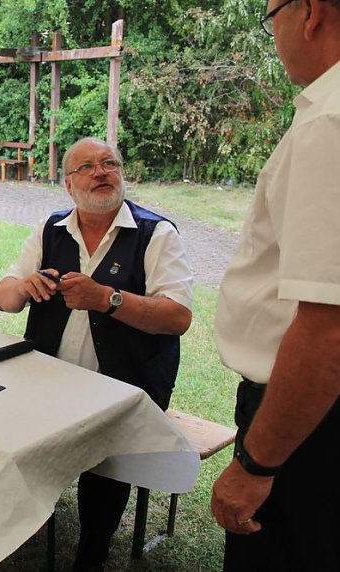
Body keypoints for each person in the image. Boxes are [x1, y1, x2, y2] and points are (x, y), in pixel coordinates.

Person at [0, 137, 194, 571]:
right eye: (86, 167)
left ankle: (92, 552)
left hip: (123, 385)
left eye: (109, 163)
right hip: (50, 376)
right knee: (6, 432)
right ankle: (14, 519)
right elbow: (4, 299)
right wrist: (24, 288)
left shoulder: (155, 234)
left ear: (121, 173)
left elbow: (178, 317)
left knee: (104, 469)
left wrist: (107, 298)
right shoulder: (51, 229)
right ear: (69, 185)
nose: (100, 172)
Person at [210, 1, 340, 570]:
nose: (274, 34)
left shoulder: (328, 121)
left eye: (271, 18)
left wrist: (255, 466)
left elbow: (328, 329)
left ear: (308, 13)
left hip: (306, 419)